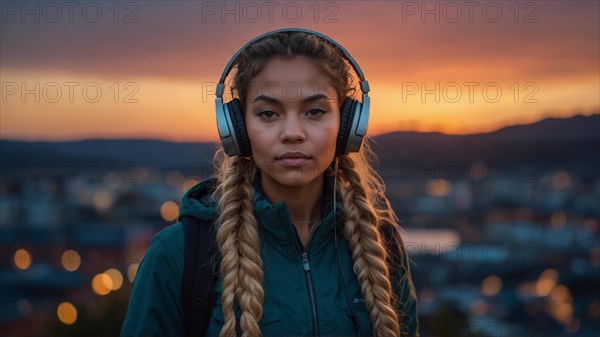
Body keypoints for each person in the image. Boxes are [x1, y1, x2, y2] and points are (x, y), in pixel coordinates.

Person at [120, 28, 419, 337]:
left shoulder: (383, 250)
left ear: (346, 125)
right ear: (237, 129)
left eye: (315, 111)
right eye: (268, 113)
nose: (292, 132)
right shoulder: (178, 254)